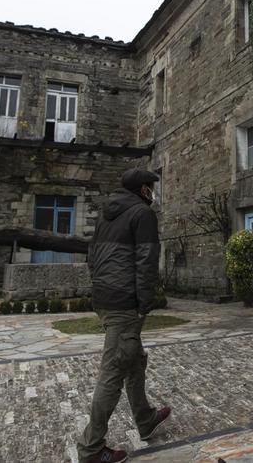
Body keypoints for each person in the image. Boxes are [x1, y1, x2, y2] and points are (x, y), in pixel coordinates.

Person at [77, 168, 172, 463]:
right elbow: (146, 262)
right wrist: (145, 303)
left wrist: (101, 289)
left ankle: (145, 418)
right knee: (114, 371)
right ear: (142, 189)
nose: (152, 191)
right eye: (150, 186)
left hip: (105, 298)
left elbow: (93, 256)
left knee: (133, 358)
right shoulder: (142, 214)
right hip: (124, 303)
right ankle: (91, 448)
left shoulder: (108, 214)